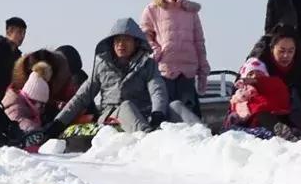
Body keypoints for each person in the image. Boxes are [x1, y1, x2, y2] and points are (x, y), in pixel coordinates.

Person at [37, 18, 201, 140]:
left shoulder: (148, 64)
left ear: (136, 43)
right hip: (113, 115)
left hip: (144, 111)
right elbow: (81, 98)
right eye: (117, 40)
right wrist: (58, 123)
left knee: (176, 105)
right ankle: (149, 140)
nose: (121, 45)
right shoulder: (101, 67)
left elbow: (157, 89)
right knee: (127, 105)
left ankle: (206, 138)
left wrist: (158, 112)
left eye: (126, 40)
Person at [139, 0, 209, 117]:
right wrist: (156, 50)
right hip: (163, 69)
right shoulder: (152, 9)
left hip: (188, 71)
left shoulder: (191, 11)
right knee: (166, 111)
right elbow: (144, 36)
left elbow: (199, 41)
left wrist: (203, 66)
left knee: (188, 112)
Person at [225, 58, 295, 137]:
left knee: (294, 115)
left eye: (259, 72)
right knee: (261, 115)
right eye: (250, 74)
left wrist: (256, 81)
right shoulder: (240, 96)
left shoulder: (272, 84)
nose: (254, 76)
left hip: (279, 116)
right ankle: (286, 134)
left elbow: (279, 96)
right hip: (258, 124)